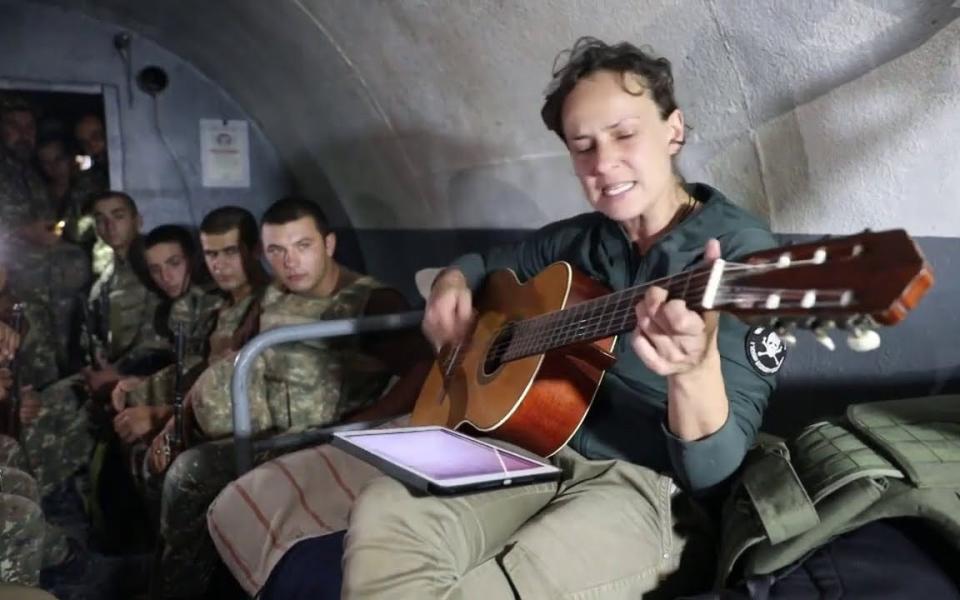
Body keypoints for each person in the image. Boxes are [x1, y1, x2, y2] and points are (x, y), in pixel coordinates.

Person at [340, 37, 782, 599]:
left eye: (625, 134)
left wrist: (691, 373)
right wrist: (454, 279)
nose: (604, 163)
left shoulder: (742, 257)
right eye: (582, 146)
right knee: (385, 508)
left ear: (673, 129)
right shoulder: (581, 239)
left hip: (646, 485)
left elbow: (715, 476)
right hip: (528, 452)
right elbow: (489, 265)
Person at [149, 197, 424, 599]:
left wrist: (357, 426)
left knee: (191, 473)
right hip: (267, 429)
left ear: (328, 245)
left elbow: (421, 370)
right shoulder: (274, 295)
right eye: (276, 250)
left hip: (318, 439)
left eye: (302, 246)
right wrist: (177, 420)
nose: (290, 262)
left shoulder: (370, 301)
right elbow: (232, 361)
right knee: (172, 462)